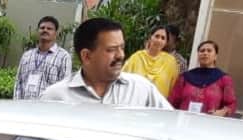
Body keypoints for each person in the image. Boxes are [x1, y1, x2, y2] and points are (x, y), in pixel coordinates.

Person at [41, 18, 172, 109]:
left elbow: (172, 128)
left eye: (122, 47)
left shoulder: (142, 90)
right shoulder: (55, 97)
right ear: (86, 56)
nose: (121, 55)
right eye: (112, 50)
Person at [168, 41, 236, 116]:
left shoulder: (224, 79)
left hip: (209, 124)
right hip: (184, 122)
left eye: (209, 51)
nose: (205, 53)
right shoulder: (185, 77)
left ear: (215, 56)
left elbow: (231, 104)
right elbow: (172, 102)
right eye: (202, 51)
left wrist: (222, 112)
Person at [14, 16, 72, 100]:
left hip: (47, 110)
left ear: (56, 33)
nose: (45, 30)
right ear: (38, 31)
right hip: (24, 108)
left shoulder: (63, 57)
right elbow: (18, 83)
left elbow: (64, 88)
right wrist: (17, 105)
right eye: (42, 28)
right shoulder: (27, 56)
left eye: (49, 28)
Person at [122, 25, 180, 98]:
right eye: (157, 36)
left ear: (166, 42)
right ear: (150, 38)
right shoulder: (136, 57)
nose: (159, 40)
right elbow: (123, 79)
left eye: (163, 38)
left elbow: (174, 88)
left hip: (158, 106)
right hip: (135, 103)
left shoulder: (170, 62)